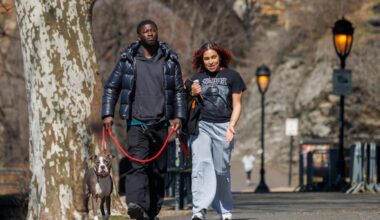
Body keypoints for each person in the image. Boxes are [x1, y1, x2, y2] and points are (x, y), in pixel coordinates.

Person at [102, 19, 186, 220]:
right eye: (145, 31)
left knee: (157, 171)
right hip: (137, 123)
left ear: (157, 33)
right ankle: (135, 205)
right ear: (138, 36)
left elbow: (179, 92)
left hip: (160, 124)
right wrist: (107, 113)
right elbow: (112, 87)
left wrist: (178, 116)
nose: (150, 33)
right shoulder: (127, 61)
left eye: (153, 30)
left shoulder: (169, 61)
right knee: (137, 165)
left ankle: (151, 211)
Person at [188, 42, 246, 220]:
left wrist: (232, 125)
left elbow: (237, 104)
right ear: (202, 60)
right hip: (202, 125)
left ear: (220, 56)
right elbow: (187, 102)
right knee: (201, 165)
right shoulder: (196, 78)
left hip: (223, 126)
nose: (211, 61)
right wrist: (192, 91)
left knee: (221, 169)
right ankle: (199, 210)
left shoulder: (232, 76)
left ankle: (224, 210)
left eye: (213, 57)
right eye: (206, 58)